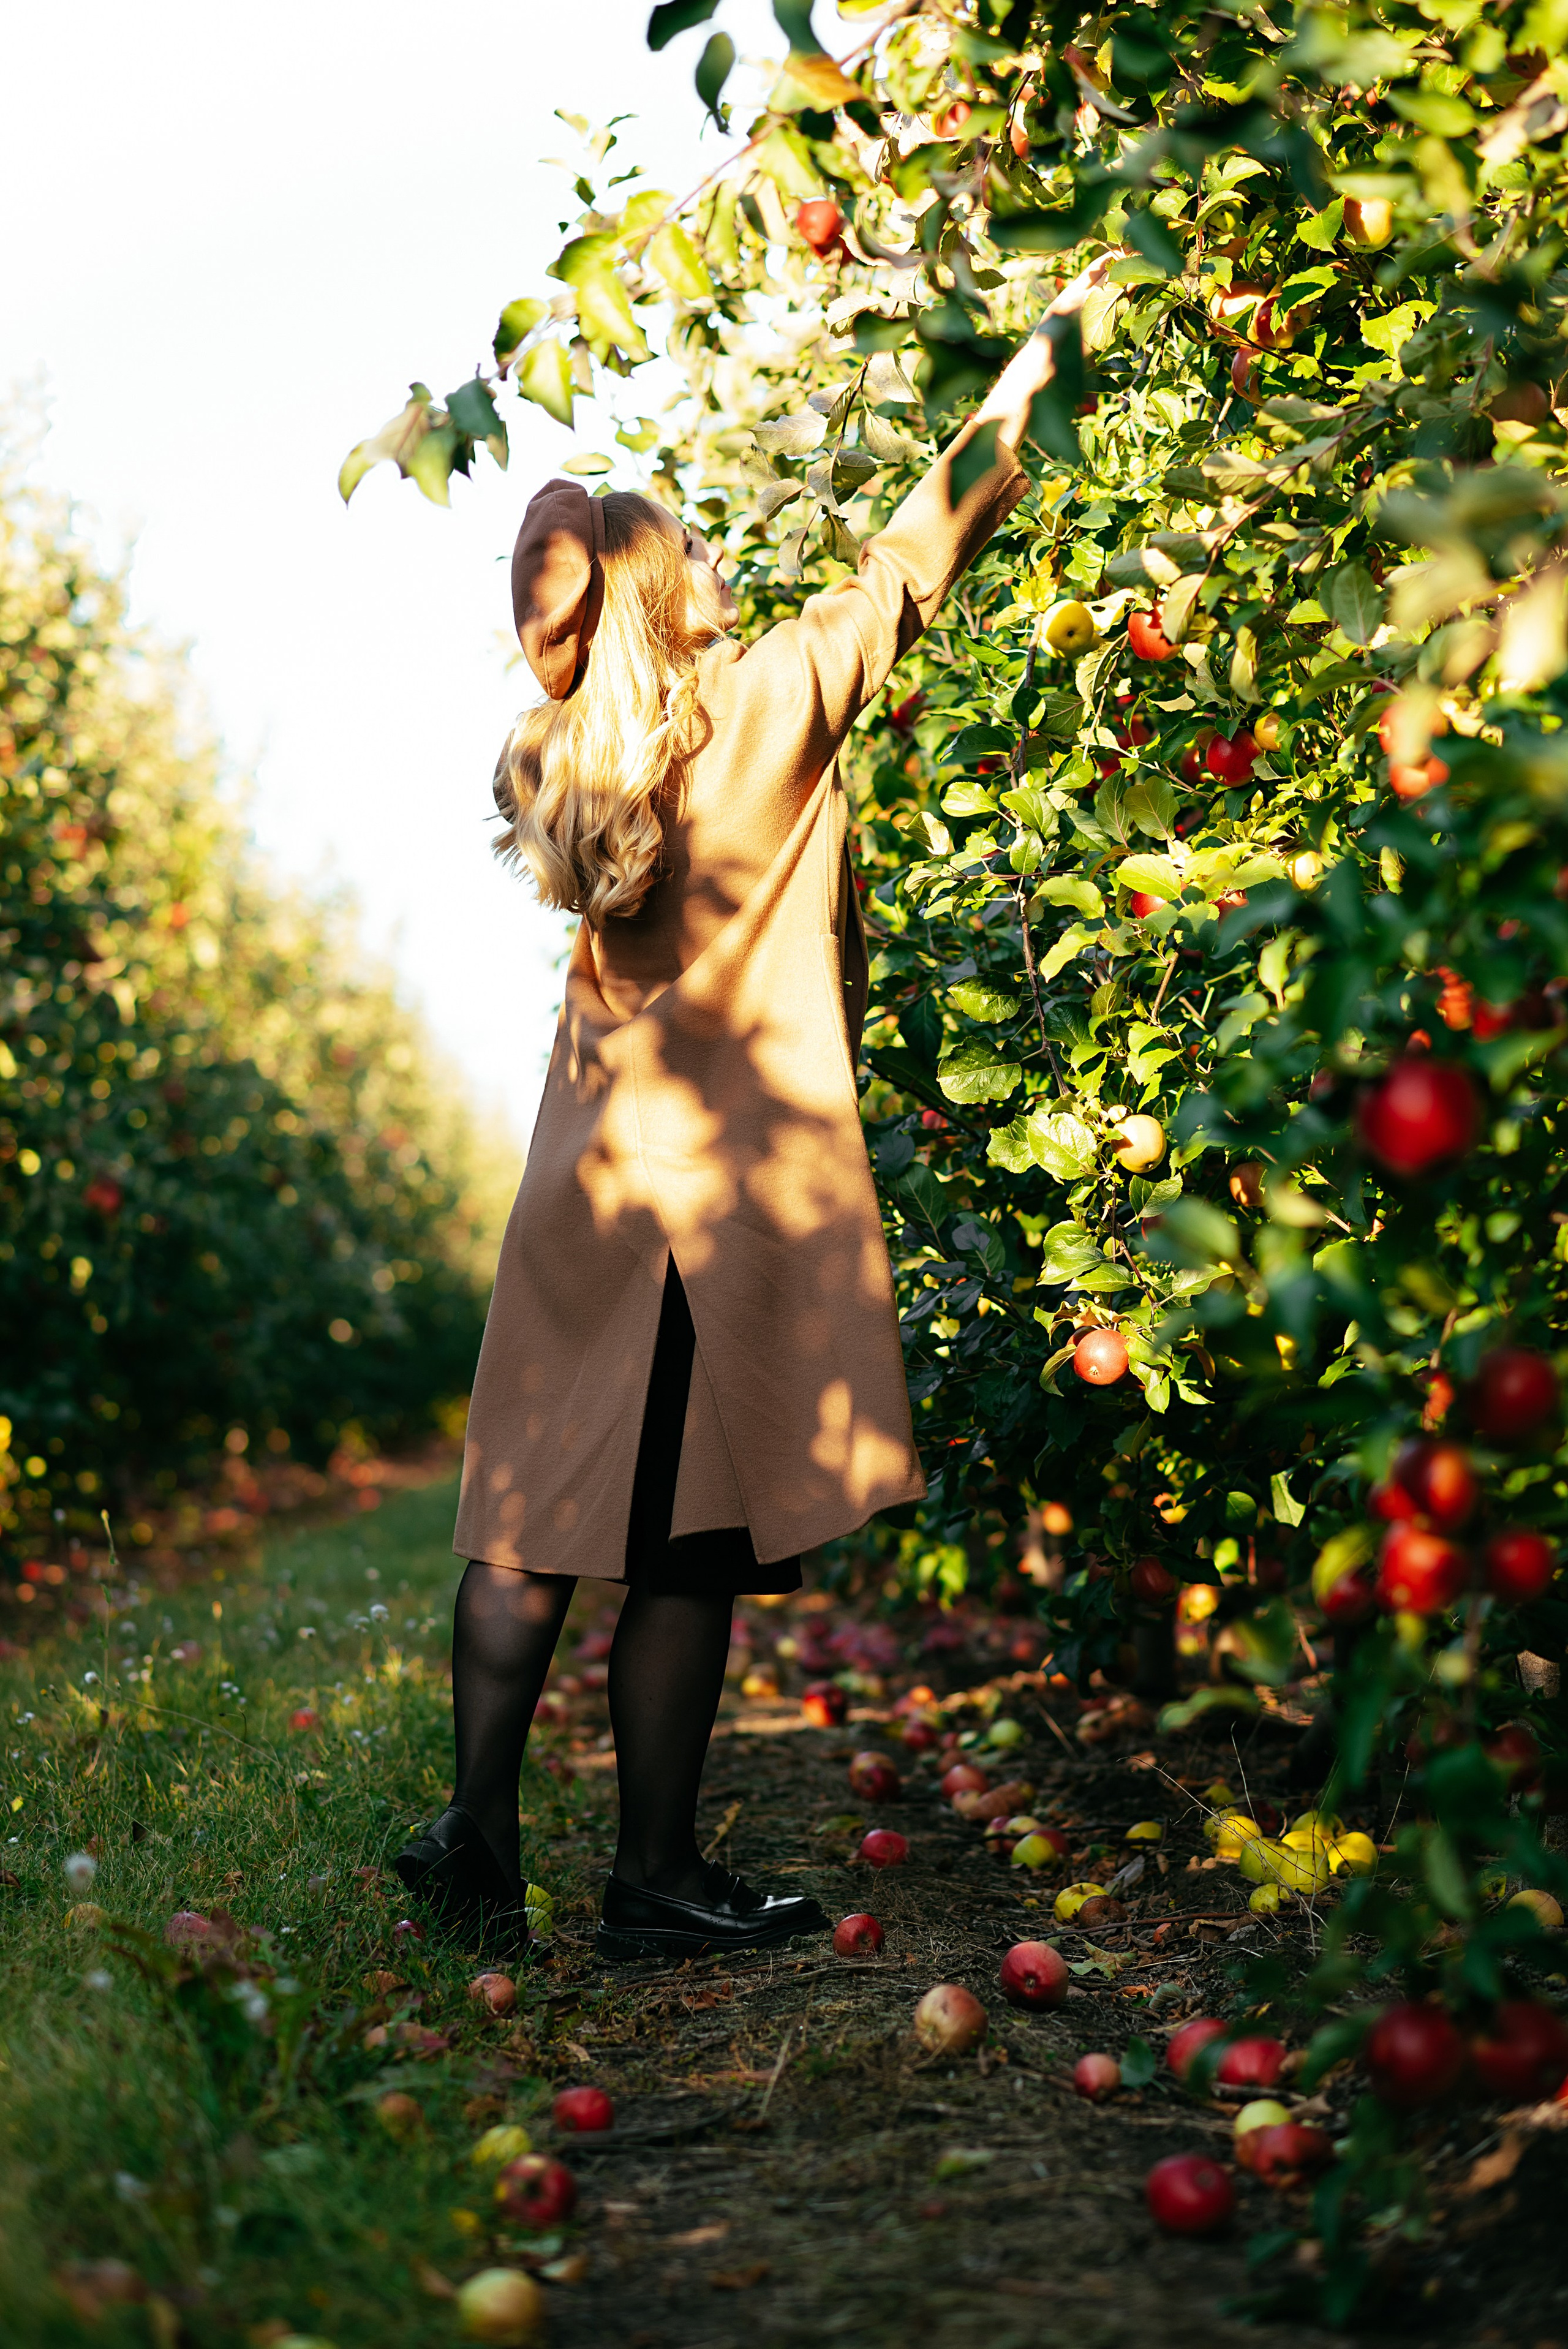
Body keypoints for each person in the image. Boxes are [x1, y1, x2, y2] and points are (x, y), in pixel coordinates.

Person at [396, 260, 1110, 1962]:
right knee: (683, 1551)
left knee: (527, 1518)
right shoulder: (778, 697)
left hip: (585, 1196)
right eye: (697, 546)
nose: (729, 562)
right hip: (724, 1210)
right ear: (666, 593)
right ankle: (652, 1871)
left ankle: (475, 1838)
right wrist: (1053, 345)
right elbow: (922, 547)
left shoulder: (557, 759)